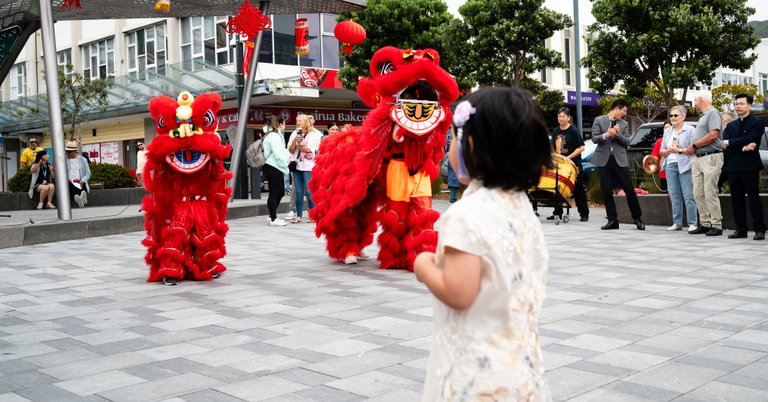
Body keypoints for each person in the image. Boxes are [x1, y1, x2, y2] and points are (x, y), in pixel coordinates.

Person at [414, 87, 552, 401]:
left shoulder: (465, 214)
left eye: (454, 139)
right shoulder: (522, 207)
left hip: (477, 377)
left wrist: (422, 266)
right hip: (522, 366)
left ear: (471, 146)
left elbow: (458, 293)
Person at [591, 98, 644, 230]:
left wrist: (618, 134)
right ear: (616, 109)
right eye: (624, 111)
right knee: (607, 191)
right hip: (604, 160)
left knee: (629, 189)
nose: (624, 114)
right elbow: (594, 138)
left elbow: (627, 142)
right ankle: (612, 220)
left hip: (620, 160)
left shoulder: (624, 123)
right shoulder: (599, 120)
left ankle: (637, 218)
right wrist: (606, 134)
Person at [721, 93, 766, 240]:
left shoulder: (756, 122)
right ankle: (741, 229)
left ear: (750, 105)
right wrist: (741, 147)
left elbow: (751, 140)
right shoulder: (731, 125)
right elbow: (724, 144)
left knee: (754, 198)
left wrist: (732, 143)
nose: (738, 106)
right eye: (736, 104)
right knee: (736, 200)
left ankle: (759, 229)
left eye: (741, 103)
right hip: (733, 167)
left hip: (750, 167)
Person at [684, 92, 723, 236]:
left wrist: (693, 146)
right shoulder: (704, 116)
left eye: (695, 99)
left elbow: (714, 134)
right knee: (698, 193)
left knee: (709, 191)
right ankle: (705, 223)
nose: (694, 102)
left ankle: (717, 225)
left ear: (701, 99)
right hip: (699, 158)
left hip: (710, 157)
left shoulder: (713, 113)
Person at [659, 107, 698, 232]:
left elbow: (694, 148)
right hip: (670, 164)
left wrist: (679, 150)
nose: (673, 118)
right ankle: (677, 222)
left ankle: (692, 223)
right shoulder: (668, 131)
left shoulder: (690, 130)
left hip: (685, 164)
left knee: (688, 195)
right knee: (674, 195)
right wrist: (669, 150)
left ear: (683, 116)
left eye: (676, 115)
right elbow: (661, 151)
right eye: (671, 116)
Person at [549, 107, 589, 221]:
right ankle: (557, 212)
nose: (561, 118)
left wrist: (567, 158)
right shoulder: (556, 130)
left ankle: (584, 214)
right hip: (559, 165)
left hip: (573, 165)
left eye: (563, 116)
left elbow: (581, 147)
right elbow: (553, 146)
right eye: (559, 116)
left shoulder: (574, 131)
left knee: (578, 190)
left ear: (568, 118)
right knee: (557, 187)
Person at [287, 114, 322, 223]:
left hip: (308, 166)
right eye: (297, 121)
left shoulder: (313, 134)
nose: (297, 123)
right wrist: (295, 142)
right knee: (298, 191)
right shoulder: (294, 133)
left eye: (300, 121)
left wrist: (298, 146)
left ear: (306, 122)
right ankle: (299, 216)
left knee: (309, 191)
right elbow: (291, 150)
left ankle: (313, 215)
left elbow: (308, 149)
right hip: (296, 165)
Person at [262, 116, 290, 226]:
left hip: (272, 166)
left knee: (281, 192)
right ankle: (273, 218)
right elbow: (278, 155)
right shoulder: (274, 136)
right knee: (274, 193)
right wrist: (285, 167)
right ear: (281, 124)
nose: (285, 126)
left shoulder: (272, 135)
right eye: (284, 124)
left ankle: (271, 215)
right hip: (274, 167)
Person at [65, 140, 91, 208]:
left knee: (83, 183)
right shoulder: (64, 160)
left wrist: (83, 180)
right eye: (66, 152)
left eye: (69, 152)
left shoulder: (83, 160)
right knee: (69, 184)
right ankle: (81, 198)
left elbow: (88, 173)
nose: (67, 154)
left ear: (75, 151)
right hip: (70, 183)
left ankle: (81, 196)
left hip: (80, 182)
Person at [718, 111, 737, 193]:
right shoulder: (721, 133)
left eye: (720, 120)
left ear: (726, 121)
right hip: (725, 168)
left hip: (728, 168)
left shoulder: (731, 134)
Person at [650, 121, 671, 192]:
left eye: (669, 127)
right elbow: (654, 157)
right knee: (665, 196)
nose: (667, 129)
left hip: (677, 172)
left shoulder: (677, 139)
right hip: (664, 173)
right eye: (665, 128)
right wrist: (651, 166)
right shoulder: (659, 141)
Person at [444, 129, 461, 203]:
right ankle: (453, 198)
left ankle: (453, 197)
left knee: (453, 183)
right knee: (455, 183)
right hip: (454, 162)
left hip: (451, 161)